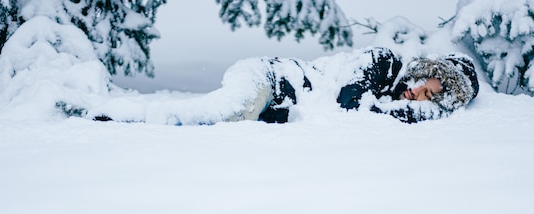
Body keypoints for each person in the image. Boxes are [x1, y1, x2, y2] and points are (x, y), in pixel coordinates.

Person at [91, 47, 479, 125]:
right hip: (269, 78)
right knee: (219, 116)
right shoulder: (383, 61)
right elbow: (349, 103)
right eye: (422, 88)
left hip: (273, 103)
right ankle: (124, 115)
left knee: (227, 121)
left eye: (426, 100)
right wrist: (407, 114)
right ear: (423, 71)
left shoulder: (391, 96)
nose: (414, 96)